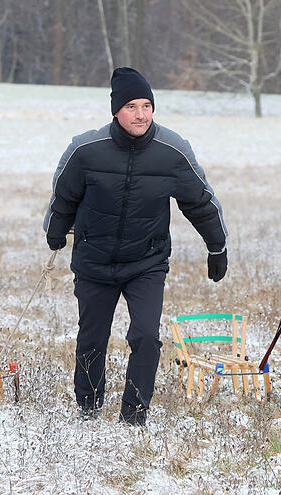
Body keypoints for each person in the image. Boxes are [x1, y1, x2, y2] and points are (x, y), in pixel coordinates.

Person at [44, 66, 228, 426]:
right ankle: (89, 406)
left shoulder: (172, 151)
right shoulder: (86, 150)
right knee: (92, 338)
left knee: (146, 335)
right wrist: (55, 230)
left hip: (147, 261)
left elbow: (201, 201)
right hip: (94, 261)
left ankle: (135, 413)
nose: (141, 114)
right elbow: (63, 195)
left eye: (147, 105)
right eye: (131, 106)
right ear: (116, 110)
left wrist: (217, 246)